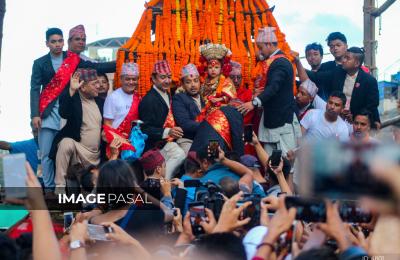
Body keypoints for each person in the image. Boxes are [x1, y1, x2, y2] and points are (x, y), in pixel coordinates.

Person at [30, 26, 116, 192]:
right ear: (47, 43)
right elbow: (34, 89)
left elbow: (97, 67)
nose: (57, 44)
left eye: (60, 41)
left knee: (63, 148)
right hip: (47, 113)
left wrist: (120, 62)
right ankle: (50, 189)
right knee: (47, 154)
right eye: (53, 41)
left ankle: (68, 188)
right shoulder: (39, 63)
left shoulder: (73, 60)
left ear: (64, 42)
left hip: (68, 111)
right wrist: (34, 115)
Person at [238, 27, 300, 155]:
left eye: (261, 48)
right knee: (272, 163)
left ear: (269, 44)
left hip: (281, 121)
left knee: (285, 162)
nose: (260, 52)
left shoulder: (280, 63)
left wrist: (254, 103)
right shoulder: (277, 62)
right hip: (274, 121)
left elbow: (273, 88)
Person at [50, 69, 104, 190]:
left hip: (95, 155)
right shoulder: (72, 98)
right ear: (83, 87)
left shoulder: (100, 102)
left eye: (99, 82)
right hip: (78, 151)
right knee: (65, 143)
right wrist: (72, 90)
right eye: (94, 83)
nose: (98, 86)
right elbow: (63, 113)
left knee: (88, 198)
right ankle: (59, 186)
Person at [299, 47, 380, 128]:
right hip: (335, 112)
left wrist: (355, 115)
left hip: (354, 120)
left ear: (356, 63)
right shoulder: (338, 71)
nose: (343, 60)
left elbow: (372, 106)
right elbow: (317, 77)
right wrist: (297, 64)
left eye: (347, 58)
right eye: (344, 57)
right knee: (312, 95)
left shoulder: (369, 80)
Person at [139, 60, 185, 179]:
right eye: (162, 77)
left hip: (166, 142)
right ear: (154, 79)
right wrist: (167, 132)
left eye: (169, 77)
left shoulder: (167, 93)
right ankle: (162, 183)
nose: (167, 81)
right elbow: (145, 129)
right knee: (179, 154)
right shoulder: (149, 100)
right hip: (154, 146)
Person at [103, 62, 141, 158]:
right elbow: (107, 126)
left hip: (134, 143)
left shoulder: (139, 97)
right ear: (121, 79)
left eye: (134, 79)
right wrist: (121, 138)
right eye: (127, 79)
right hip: (116, 144)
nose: (131, 82)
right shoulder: (113, 97)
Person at [197, 42, 237, 118]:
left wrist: (219, 99)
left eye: (216, 67)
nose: (213, 70)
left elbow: (231, 96)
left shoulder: (225, 80)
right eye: (210, 67)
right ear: (206, 68)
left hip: (220, 111)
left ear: (221, 68)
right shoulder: (204, 80)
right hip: (204, 109)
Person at [172, 64, 204, 154]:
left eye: (195, 81)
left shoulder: (204, 98)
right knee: (194, 160)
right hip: (188, 140)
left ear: (200, 82)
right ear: (182, 84)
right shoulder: (179, 98)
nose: (193, 85)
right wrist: (208, 125)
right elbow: (184, 123)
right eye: (188, 82)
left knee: (217, 156)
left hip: (205, 137)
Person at [229, 61, 253, 125]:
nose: (236, 81)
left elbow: (249, 115)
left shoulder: (248, 93)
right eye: (232, 77)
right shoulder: (221, 93)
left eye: (239, 77)